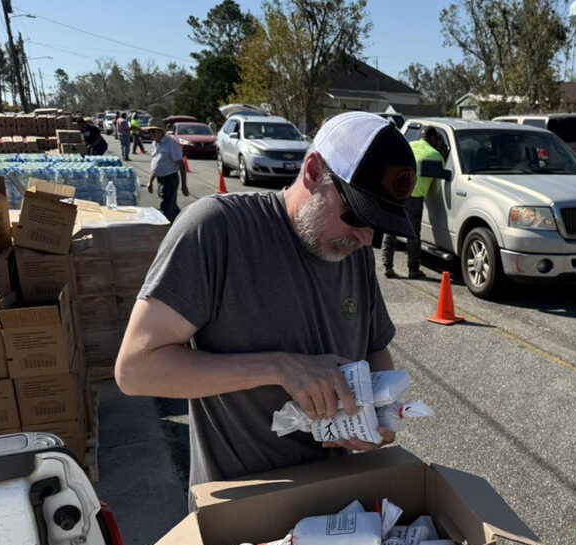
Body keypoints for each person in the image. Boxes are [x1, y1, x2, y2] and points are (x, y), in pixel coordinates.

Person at [114, 111, 418, 489]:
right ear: (311, 171)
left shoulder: (353, 251)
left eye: (379, 224)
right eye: (356, 214)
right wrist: (280, 367)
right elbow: (135, 369)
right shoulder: (217, 231)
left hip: (336, 497)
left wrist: (376, 415)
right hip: (243, 510)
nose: (367, 237)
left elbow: (374, 348)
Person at [381, 126, 445, 279]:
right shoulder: (436, 155)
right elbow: (441, 180)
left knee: (390, 230)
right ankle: (413, 269)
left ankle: (387, 267)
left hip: (395, 192)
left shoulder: (408, 145)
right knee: (413, 234)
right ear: (434, 139)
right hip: (414, 196)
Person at [145, 120, 189, 223]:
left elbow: (181, 165)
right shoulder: (155, 144)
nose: (150, 134)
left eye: (153, 131)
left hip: (170, 179)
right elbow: (156, 164)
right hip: (160, 179)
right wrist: (150, 181)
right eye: (149, 132)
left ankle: (167, 231)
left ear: (160, 131)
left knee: (165, 207)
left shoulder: (171, 144)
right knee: (171, 206)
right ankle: (183, 223)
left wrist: (184, 185)